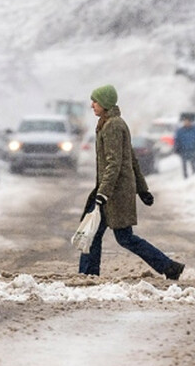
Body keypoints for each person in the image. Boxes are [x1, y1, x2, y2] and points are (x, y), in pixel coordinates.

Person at [79, 84, 184, 280]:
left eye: (95, 101)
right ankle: (169, 267)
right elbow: (131, 160)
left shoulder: (112, 126)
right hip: (112, 191)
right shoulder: (110, 123)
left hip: (113, 193)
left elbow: (115, 163)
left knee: (111, 236)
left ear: (105, 103)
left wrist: (103, 193)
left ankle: (88, 274)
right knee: (104, 235)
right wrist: (142, 189)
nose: (92, 105)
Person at [172, 112, 195, 179]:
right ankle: (185, 178)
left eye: (188, 121)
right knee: (184, 165)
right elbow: (177, 140)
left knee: (193, 164)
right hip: (183, 150)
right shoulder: (180, 131)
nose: (187, 123)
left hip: (193, 150)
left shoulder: (194, 130)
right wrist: (176, 148)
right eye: (185, 121)